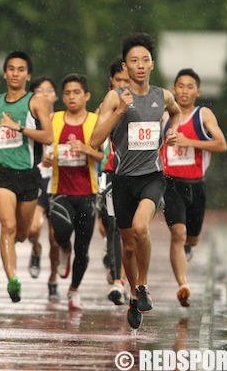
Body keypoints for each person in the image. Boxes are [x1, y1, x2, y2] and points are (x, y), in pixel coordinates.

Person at [89, 33, 181, 329]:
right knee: (127, 246)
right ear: (125, 67)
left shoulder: (162, 95)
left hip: (152, 177)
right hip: (122, 180)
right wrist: (119, 111)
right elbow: (94, 140)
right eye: (133, 61)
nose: (140, 66)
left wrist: (172, 131)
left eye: (144, 60)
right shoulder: (115, 97)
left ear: (152, 63)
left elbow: (175, 112)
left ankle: (141, 286)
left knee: (141, 228)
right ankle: (133, 296)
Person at [0, 51, 53, 303]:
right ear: (5, 73)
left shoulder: (36, 102)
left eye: (21, 69)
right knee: (7, 226)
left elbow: (48, 137)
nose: (15, 73)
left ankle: (31, 247)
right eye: (11, 68)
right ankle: (12, 280)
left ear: (27, 75)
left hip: (29, 175)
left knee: (22, 233)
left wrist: (19, 127)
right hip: (3, 172)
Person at [160, 68, 227, 307]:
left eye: (190, 87)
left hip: (196, 185)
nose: (184, 91)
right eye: (180, 86)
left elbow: (221, 144)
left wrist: (188, 142)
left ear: (198, 91)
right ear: (174, 89)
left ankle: (189, 246)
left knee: (193, 238)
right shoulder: (164, 116)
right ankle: (183, 284)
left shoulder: (203, 115)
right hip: (170, 184)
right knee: (177, 234)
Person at [42, 74, 103, 311]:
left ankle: (74, 289)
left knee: (84, 248)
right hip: (59, 190)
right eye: (67, 93)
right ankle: (64, 248)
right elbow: (45, 149)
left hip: (88, 192)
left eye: (76, 92)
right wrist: (47, 159)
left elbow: (103, 156)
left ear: (86, 96)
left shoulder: (95, 122)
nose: (71, 97)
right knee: (61, 231)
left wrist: (86, 150)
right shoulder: (54, 119)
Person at [96, 57, 131, 305]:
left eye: (126, 81)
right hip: (108, 173)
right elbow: (95, 142)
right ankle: (118, 281)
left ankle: (124, 275)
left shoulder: (144, 105)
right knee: (112, 225)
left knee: (132, 230)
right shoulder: (105, 107)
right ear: (111, 81)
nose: (122, 86)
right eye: (118, 80)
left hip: (137, 174)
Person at [26, 76, 60, 302]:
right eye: (40, 91)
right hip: (37, 179)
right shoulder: (31, 121)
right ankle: (36, 250)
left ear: (56, 96)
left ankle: (54, 279)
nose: (46, 94)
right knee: (32, 229)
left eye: (49, 90)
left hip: (59, 181)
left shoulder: (65, 119)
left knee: (56, 238)